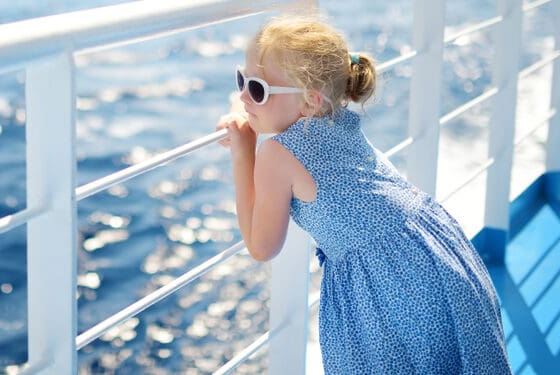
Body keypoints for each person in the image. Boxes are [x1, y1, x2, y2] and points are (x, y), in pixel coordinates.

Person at [215, 15, 510, 373]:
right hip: (432, 251)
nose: (243, 96)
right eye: (240, 80)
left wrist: (243, 152)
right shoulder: (335, 117)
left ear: (309, 101)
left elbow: (262, 246)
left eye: (257, 89)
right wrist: (256, 106)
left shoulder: (276, 153)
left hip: (389, 281)